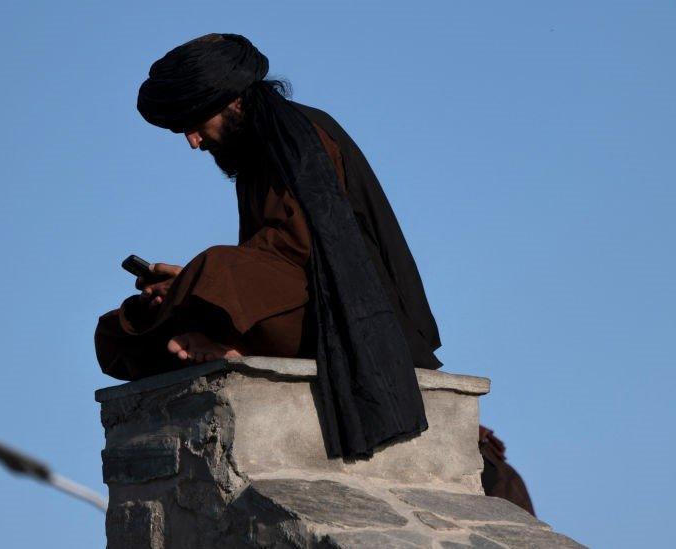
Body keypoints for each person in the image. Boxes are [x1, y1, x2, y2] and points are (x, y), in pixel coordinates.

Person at [98, 33, 434, 460]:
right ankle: (214, 335)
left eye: (197, 124)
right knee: (120, 327)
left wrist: (203, 282)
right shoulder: (255, 150)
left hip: (342, 314)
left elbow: (301, 253)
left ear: (233, 101)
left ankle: (233, 344)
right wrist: (186, 282)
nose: (193, 141)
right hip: (284, 300)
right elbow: (268, 262)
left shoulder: (298, 136)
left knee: (217, 268)